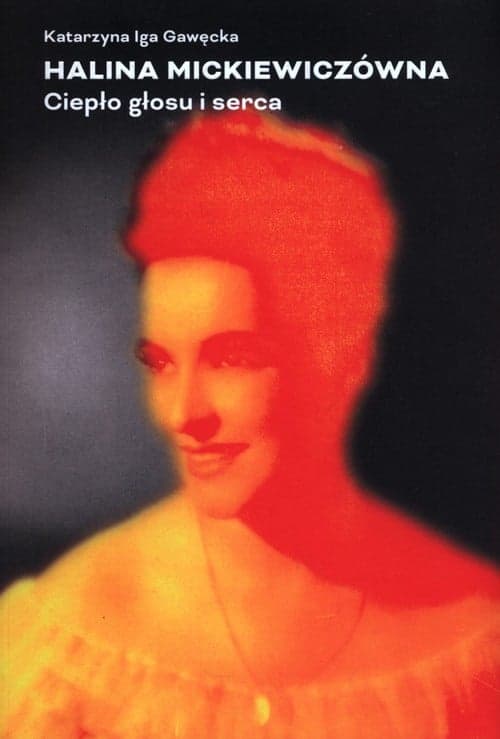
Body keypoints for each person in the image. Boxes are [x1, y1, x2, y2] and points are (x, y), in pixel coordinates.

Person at [1, 110, 498, 738]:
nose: (185, 415)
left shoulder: (472, 644)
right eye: (161, 363)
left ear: (342, 351)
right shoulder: (66, 649)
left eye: (231, 358)